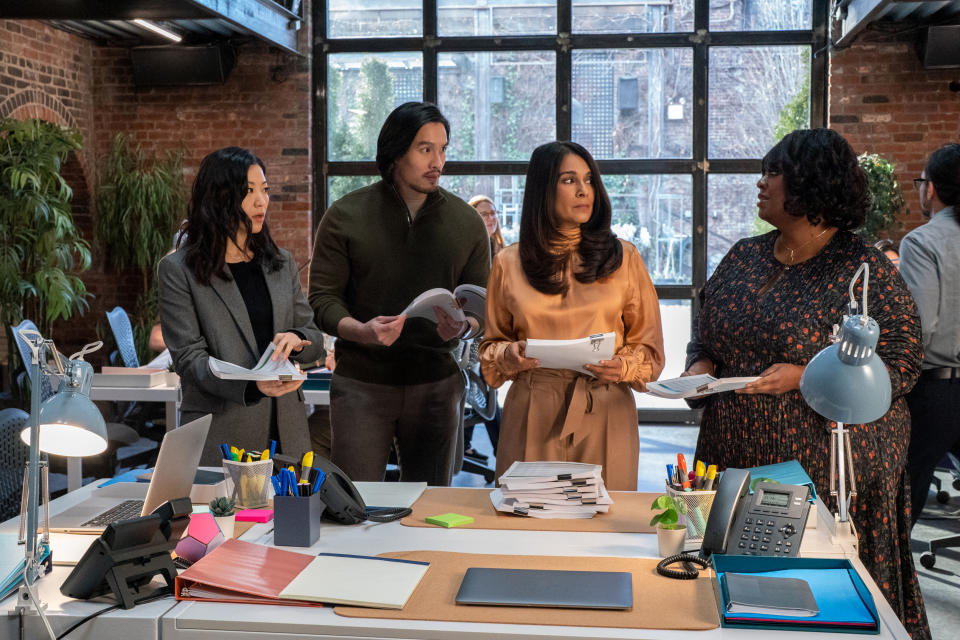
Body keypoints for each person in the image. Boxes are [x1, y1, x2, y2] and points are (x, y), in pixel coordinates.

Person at [684, 128, 928, 638]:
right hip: (737, 452)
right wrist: (699, 369)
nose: (761, 182)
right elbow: (707, 334)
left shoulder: (863, 271)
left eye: (773, 172)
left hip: (826, 464)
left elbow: (902, 362)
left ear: (810, 184)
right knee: (736, 603)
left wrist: (805, 376)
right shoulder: (745, 256)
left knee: (812, 606)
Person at [309, 102, 490, 486]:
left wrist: (463, 328)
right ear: (395, 152)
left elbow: (484, 306)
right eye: (425, 149)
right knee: (356, 505)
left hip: (437, 385)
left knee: (429, 507)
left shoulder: (467, 222)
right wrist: (361, 330)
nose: (437, 161)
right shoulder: (345, 215)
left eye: (442, 149)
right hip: (361, 384)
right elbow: (322, 300)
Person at [479, 141, 664, 491]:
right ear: (543, 189)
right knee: (527, 529)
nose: (584, 190)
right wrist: (507, 354)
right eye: (569, 180)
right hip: (533, 405)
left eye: (589, 179)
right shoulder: (508, 263)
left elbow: (650, 352)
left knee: (606, 533)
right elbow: (490, 350)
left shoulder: (625, 258)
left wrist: (623, 366)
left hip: (606, 404)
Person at [159, 147, 325, 466]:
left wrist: (297, 340)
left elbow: (313, 336)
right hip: (222, 431)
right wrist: (252, 386)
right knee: (228, 517)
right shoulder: (179, 270)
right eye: (249, 192)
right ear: (220, 198)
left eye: (265, 190)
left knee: (294, 516)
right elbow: (190, 359)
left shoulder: (281, 263)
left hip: (287, 430)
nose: (262, 201)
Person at [900, 143, 960, 525]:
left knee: (905, 493)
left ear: (931, 188)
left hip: (937, 393)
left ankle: (893, 582)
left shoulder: (922, 242)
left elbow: (918, 331)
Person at [464, 194, 506, 459]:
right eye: (484, 214)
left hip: (496, 327)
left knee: (484, 391)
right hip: (472, 332)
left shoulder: (502, 251)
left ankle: (471, 446)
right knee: (479, 389)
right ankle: (502, 453)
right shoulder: (469, 249)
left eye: (493, 213)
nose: (491, 219)